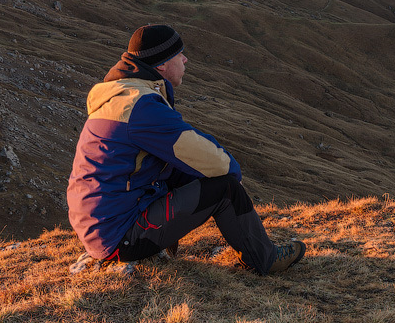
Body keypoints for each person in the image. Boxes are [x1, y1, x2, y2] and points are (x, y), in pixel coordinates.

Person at [67, 24, 305, 275]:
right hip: (119, 236)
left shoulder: (122, 97)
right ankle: (265, 259)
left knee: (182, 171)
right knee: (225, 188)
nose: (185, 59)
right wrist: (234, 174)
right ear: (161, 65)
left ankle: (169, 237)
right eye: (178, 55)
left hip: (102, 226)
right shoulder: (141, 107)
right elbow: (200, 153)